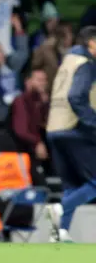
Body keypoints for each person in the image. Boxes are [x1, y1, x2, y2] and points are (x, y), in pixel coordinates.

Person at [45, 26, 96, 243]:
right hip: (75, 129)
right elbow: (76, 97)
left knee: (72, 186)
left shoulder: (66, 63)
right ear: (91, 43)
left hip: (54, 129)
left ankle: (59, 233)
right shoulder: (86, 64)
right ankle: (60, 209)